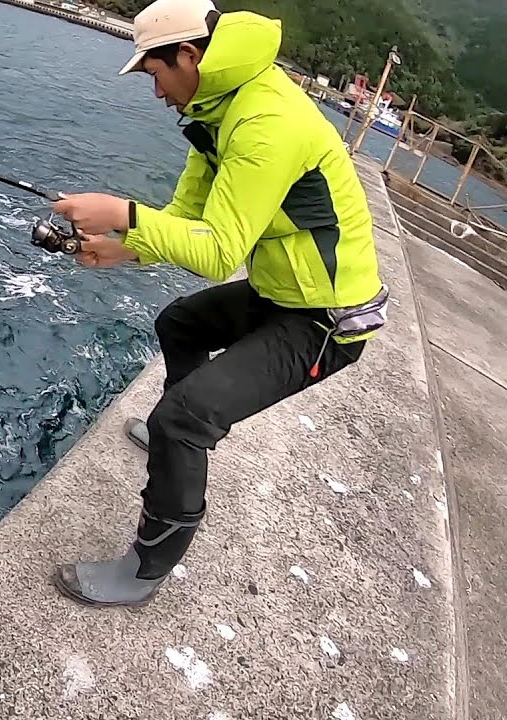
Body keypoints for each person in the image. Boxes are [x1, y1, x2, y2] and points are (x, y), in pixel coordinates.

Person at [49, 0, 389, 607]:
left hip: (327, 318)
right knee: (179, 323)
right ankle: (176, 442)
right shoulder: (217, 109)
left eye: (154, 73)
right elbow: (185, 219)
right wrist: (122, 247)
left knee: (183, 416)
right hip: (284, 291)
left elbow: (218, 250)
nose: (155, 92)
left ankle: (148, 568)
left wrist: (124, 213)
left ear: (188, 56)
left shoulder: (265, 122)